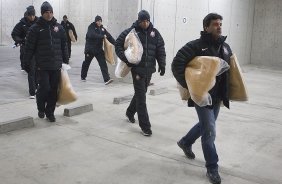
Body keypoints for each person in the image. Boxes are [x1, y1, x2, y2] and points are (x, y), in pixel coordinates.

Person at [171, 13, 233, 184]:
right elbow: (177, 64)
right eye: (215, 24)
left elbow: (230, 70)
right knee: (210, 131)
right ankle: (212, 168)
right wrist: (192, 86)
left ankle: (185, 142)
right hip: (203, 97)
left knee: (206, 125)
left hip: (218, 97)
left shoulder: (225, 47)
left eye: (220, 23)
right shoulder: (196, 46)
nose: (219, 26)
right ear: (206, 27)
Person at [115, 10, 166, 136]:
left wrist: (162, 64)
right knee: (142, 99)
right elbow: (117, 45)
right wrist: (126, 59)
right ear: (139, 21)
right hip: (137, 69)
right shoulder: (131, 32)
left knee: (141, 93)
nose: (145, 23)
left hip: (149, 69)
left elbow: (160, 48)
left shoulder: (155, 33)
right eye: (143, 21)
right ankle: (145, 126)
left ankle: (130, 112)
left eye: (147, 21)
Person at [23, 1, 69, 122]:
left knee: (53, 90)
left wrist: (66, 59)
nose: (49, 15)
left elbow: (64, 44)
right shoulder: (35, 29)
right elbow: (29, 48)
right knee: (44, 88)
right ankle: (41, 108)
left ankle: (50, 112)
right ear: (42, 13)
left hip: (56, 65)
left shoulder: (59, 27)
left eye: (51, 12)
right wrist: (26, 63)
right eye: (46, 13)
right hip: (42, 66)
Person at [11, 5, 38, 99]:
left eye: (33, 15)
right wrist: (21, 41)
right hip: (27, 50)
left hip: (38, 50)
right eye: (30, 15)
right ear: (27, 15)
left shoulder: (39, 22)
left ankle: (35, 88)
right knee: (30, 69)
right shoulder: (22, 23)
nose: (32, 17)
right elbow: (14, 34)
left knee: (37, 70)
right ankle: (32, 92)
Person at [81, 15, 115, 85]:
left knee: (103, 64)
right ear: (95, 21)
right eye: (98, 21)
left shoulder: (102, 29)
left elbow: (109, 37)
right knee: (86, 64)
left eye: (100, 21)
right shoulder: (91, 27)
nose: (99, 22)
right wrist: (102, 36)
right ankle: (83, 77)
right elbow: (91, 35)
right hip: (90, 50)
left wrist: (116, 43)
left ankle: (106, 79)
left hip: (98, 50)